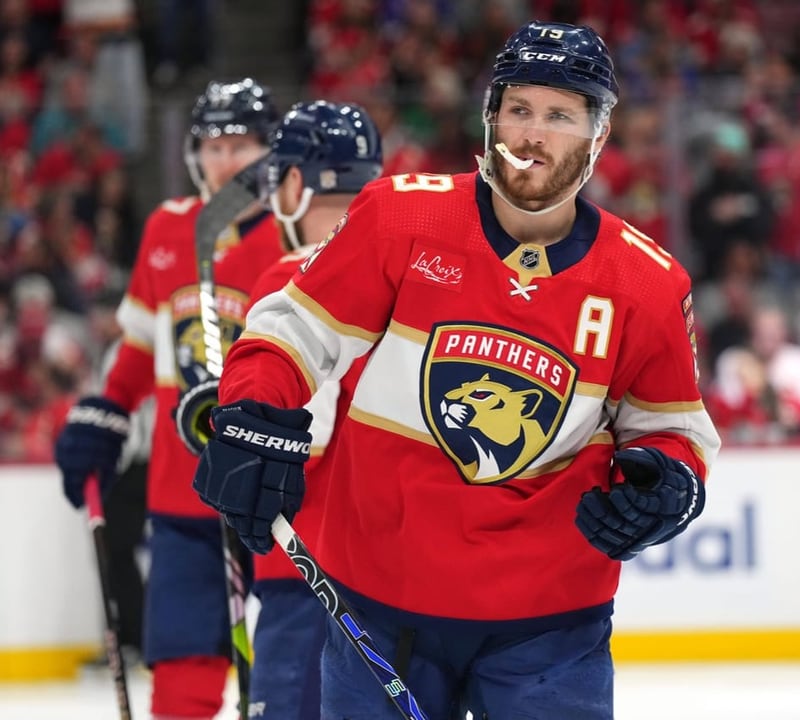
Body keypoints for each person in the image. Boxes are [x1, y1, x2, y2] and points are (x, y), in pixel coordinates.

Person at [194, 21, 721, 720]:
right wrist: (254, 410)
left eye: (560, 116)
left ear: (597, 137)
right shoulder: (400, 220)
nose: (533, 134)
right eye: (519, 110)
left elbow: (675, 432)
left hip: (551, 620)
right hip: (381, 601)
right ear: (490, 117)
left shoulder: (647, 285)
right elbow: (292, 331)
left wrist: (665, 483)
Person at [53, 77, 283, 719]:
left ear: (271, 153)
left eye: (241, 146)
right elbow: (138, 348)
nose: (225, 161)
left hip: (280, 493)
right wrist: (108, 410)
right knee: (183, 661)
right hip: (182, 491)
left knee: (292, 662)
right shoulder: (166, 228)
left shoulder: (295, 238)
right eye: (213, 147)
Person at [244, 99, 383, 719]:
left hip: (304, 568)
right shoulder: (406, 273)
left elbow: (304, 429)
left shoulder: (289, 278)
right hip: (394, 573)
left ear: (295, 182)